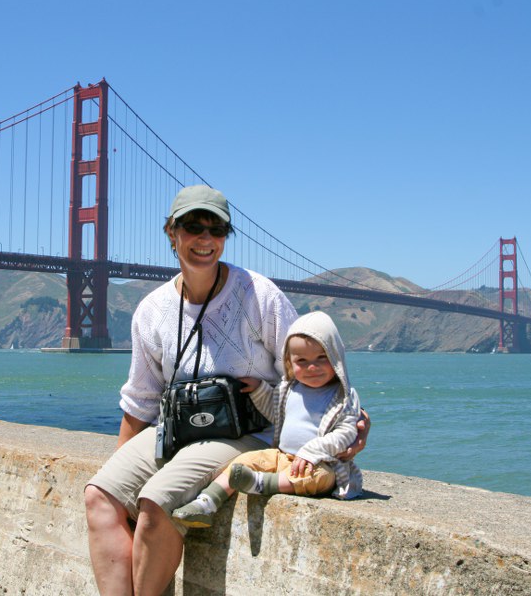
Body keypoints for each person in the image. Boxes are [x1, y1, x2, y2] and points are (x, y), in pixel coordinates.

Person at [83, 185, 370, 595]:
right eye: (193, 227)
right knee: (99, 495)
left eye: (217, 230)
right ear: (171, 232)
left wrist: (348, 428)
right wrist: (122, 472)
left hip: (243, 435)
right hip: (176, 429)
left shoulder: (258, 295)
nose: (205, 239)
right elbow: (140, 401)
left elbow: (315, 365)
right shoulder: (152, 310)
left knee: (154, 501)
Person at [171, 311, 364, 528]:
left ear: (336, 357)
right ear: (289, 364)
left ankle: (260, 483)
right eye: (302, 360)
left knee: (319, 479)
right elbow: (275, 414)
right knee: (242, 462)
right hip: (281, 457)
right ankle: (206, 503)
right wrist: (259, 390)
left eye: (322, 358)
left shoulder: (343, 396)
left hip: (319, 464)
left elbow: (346, 433)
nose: (312, 367)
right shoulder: (289, 389)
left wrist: (313, 452)